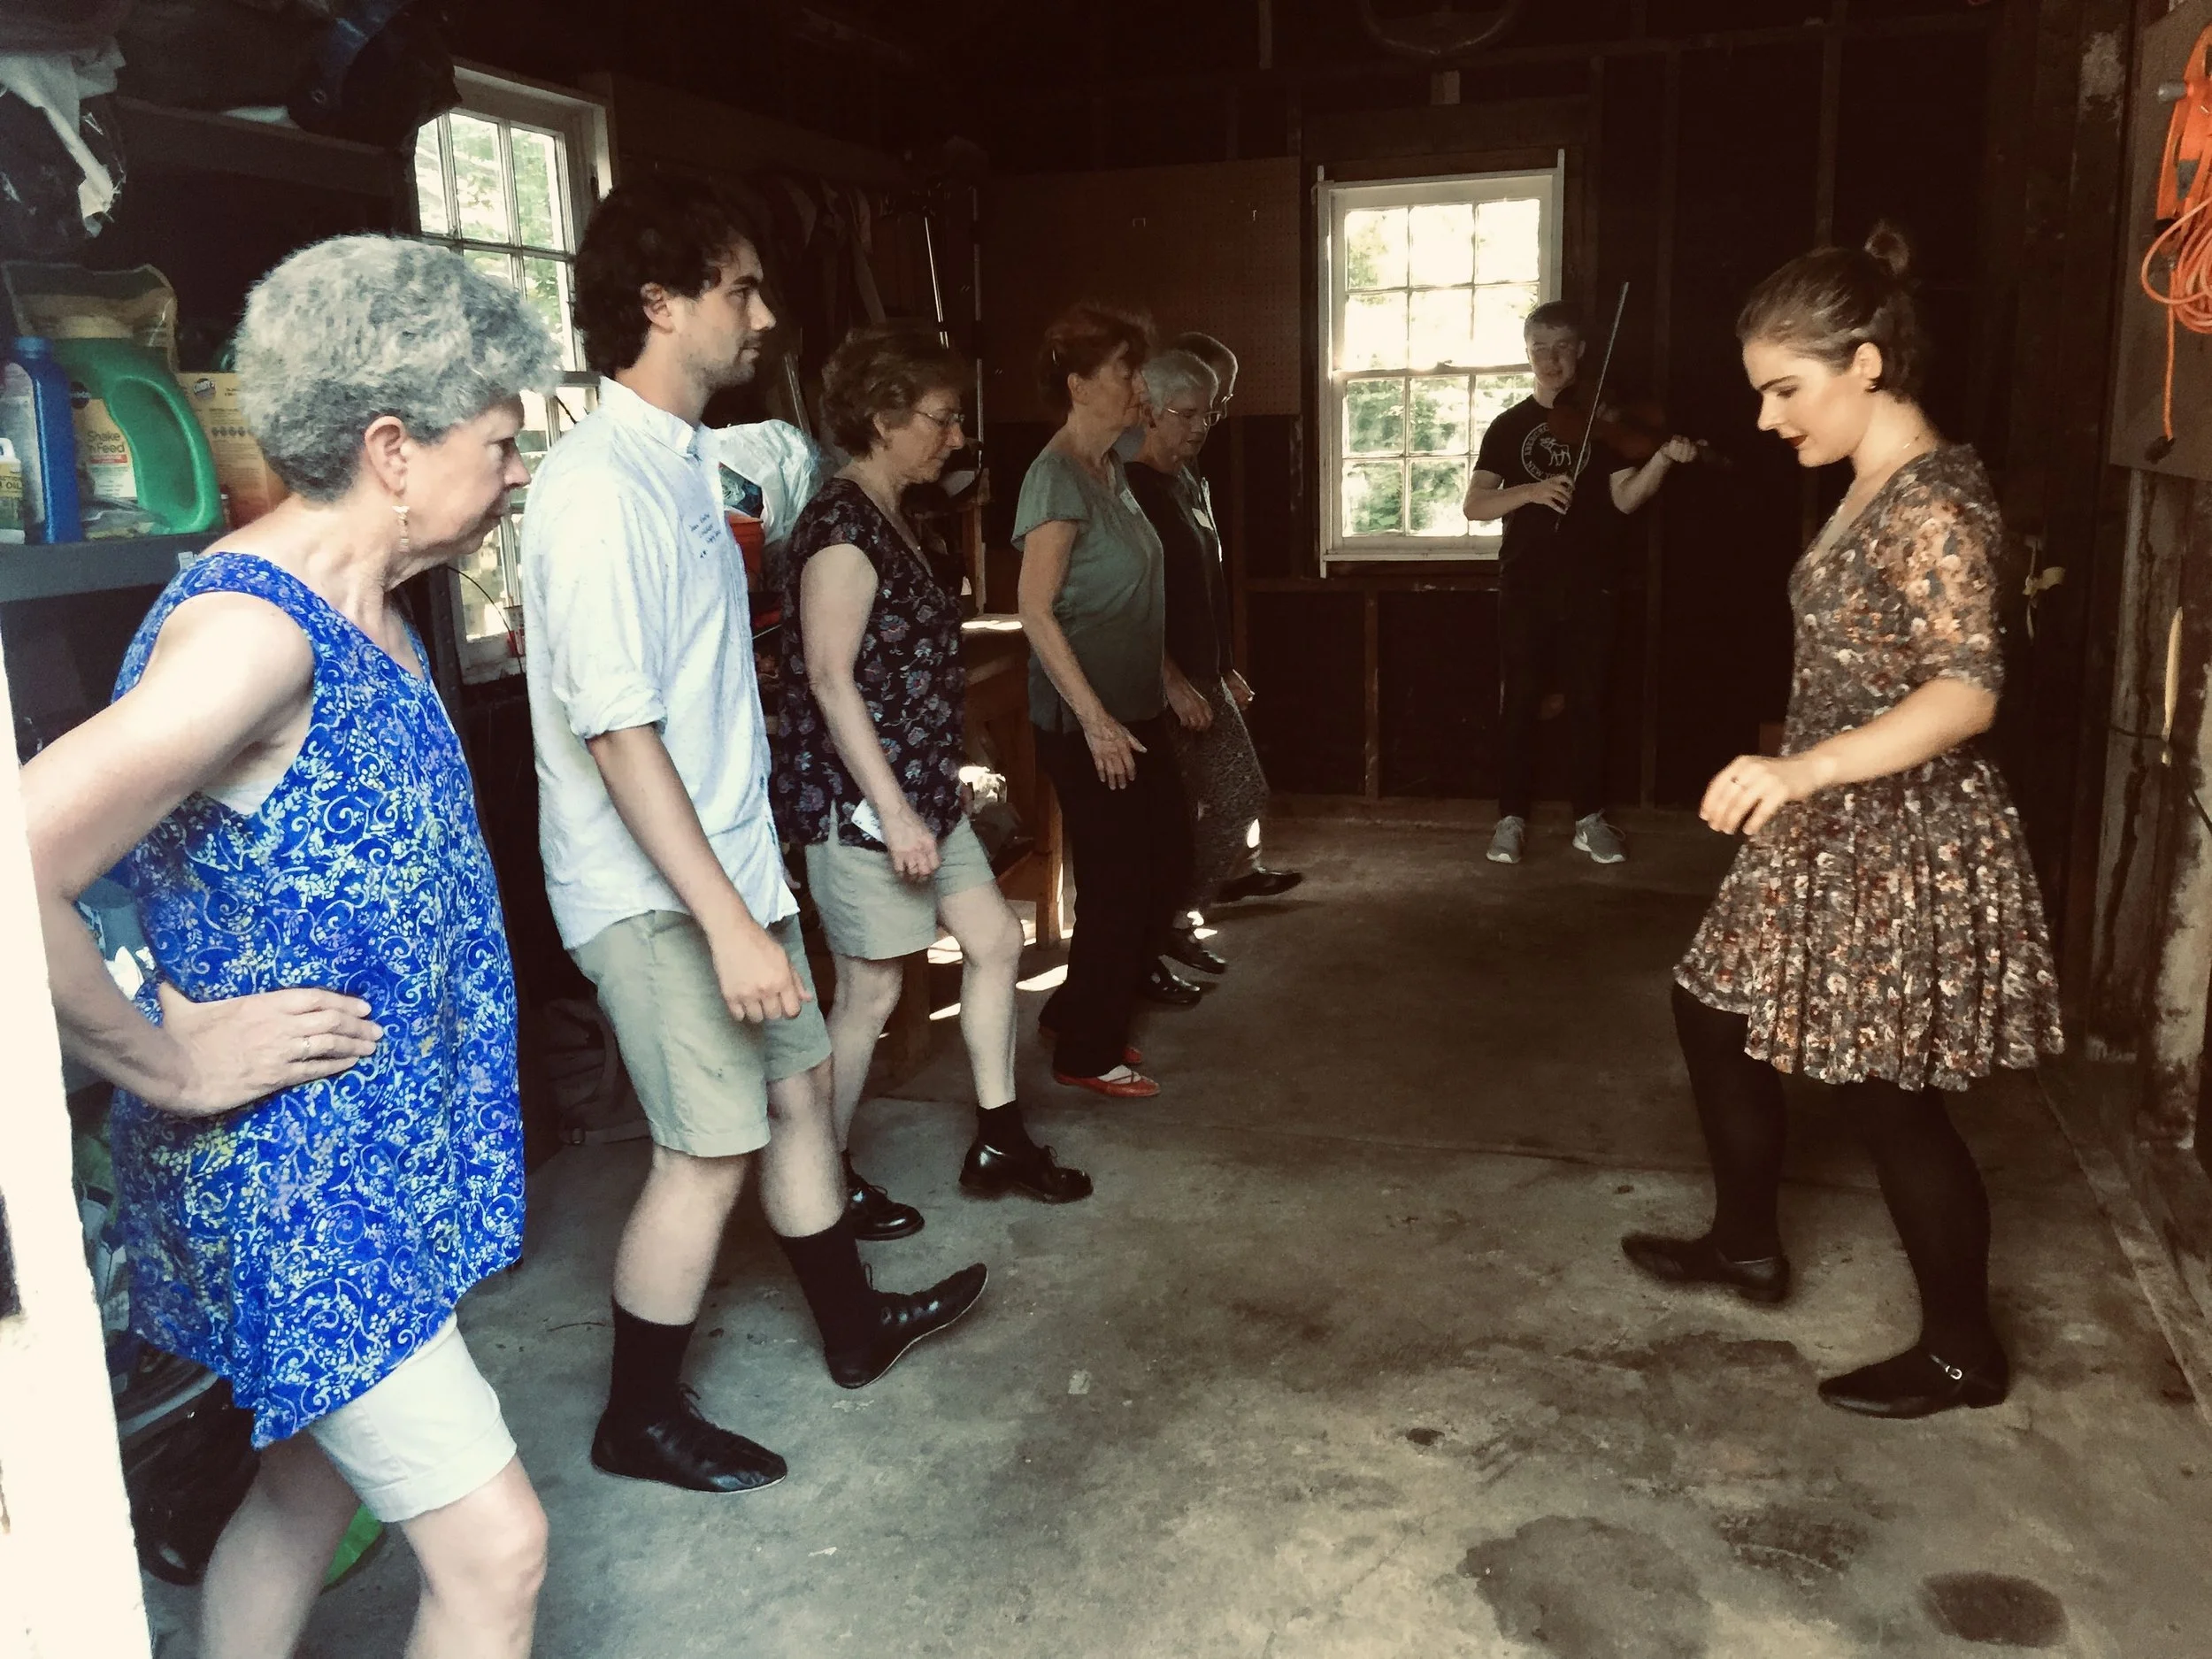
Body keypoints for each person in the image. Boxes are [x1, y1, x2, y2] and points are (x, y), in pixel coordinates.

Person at [23, 237, 554, 1657]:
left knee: (306, 1487)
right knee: (498, 1548)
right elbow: (16, 862)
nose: (517, 472)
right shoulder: (257, 635)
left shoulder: (373, 609)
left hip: (375, 1159)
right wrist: (169, 1063)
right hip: (303, 1184)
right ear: (392, 449)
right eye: (500, 441)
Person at [523, 177, 987, 1496]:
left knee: (794, 1093)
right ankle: (637, 1415)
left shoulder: (686, 462)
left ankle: (852, 1325)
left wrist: (750, 890)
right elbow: (619, 734)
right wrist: (729, 924)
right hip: (654, 893)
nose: (767, 314)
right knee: (706, 1148)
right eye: (740, 287)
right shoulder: (597, 489)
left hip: (725, 870)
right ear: (660, 304)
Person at [1619, 225, 2064, 1418]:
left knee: (1885, 1090)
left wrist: (1803, 767)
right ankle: (1745, 1245)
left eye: (1785, 389)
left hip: (1898, 828)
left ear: (1866, 362)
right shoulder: (1872, 481)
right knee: (1713, 1007)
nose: (1766, 418)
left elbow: (1967, 692)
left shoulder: (1935, 500)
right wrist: (1799, 765)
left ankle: (1964, 1351)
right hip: (1828, 813)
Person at [777, 320, 1093, 1227]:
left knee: (994, 942)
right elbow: (831, 681)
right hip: (863, 808)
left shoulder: (891, 514)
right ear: (883, 419)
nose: (956, 437)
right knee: (870, 989)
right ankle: (821, 1181)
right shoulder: (842, 529)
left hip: (919, 794)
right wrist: (896, 815)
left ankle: (999, 1138)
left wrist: (932, 791)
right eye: (941, 419)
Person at [1016, 303, 1194, 1095]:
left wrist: (1165, 682)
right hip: (1087, 721)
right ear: (1080, 383)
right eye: (1126, 372)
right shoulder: (1054, 477)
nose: (1139, 386)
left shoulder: (1108, 467)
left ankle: (1075, 1009)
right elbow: (1034, 610)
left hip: (1134, 711)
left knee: (1163, 861)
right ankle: (1088, 1051)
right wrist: (1094, 721)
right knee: (1121, 880)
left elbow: (1131, 595)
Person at [1462, 301, 1698, 866]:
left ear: (1582, 352)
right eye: (1539, 348)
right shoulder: (1508, 426)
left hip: (1593, 585)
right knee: (1520, 701)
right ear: (1527, 353)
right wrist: (1531, 491)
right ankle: (1510, 819)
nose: (1551, 360)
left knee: (1589, 702)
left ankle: (1589, 820)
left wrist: (1663, 460)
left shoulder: (1604, 421)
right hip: (1525, 586)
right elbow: (1474, 505)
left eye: (1563, 347)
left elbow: (1625, 499)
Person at [1122, 349, 1285, 984]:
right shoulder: (1132, 488)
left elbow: (1206, 587)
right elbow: (1131, 603)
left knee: (1210, 804)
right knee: (1231, 795)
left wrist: (1225, 665)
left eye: (1208, 413)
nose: (1200, 427)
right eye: (1185, 414)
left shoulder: (1185, 479)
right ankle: (1167, 920)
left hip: (1203, 671)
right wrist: (1172, 679)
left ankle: (1171, 921)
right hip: (1164, 682)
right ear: (1149, 411)